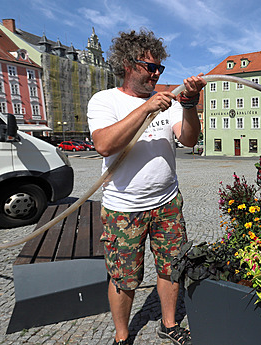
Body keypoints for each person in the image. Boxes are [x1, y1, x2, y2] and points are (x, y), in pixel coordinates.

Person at [87, 29, 205, 345]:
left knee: (171, 266)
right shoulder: (105, 100)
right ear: (127, 64)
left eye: (159, 69)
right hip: (124, 207)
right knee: (124, 277)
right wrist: (147, 108)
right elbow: (104, 144)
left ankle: (168, 324)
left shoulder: (169, 101)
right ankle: (122, 336)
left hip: (167, 202)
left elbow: (190, 139)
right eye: (149, 67)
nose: (156, 74)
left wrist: (190, 105)